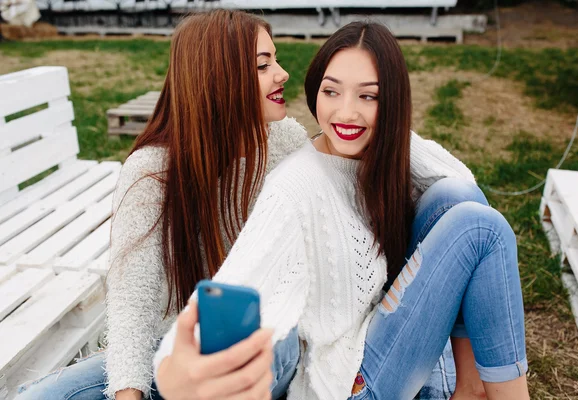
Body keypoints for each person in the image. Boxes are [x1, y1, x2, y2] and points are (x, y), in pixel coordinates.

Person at [15, 11, 472, 400]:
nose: (283, 74)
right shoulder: (153, 171)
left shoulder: (286, 141)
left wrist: (384, 120)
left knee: (274, 336)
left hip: (278, 344)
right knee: (44, 395)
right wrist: (128, 392)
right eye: (263, 65)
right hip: (182, 351)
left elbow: (371, 174)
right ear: (219, 78)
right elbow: (132, 305)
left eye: (275, 59)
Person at [154, 21, 530, 400]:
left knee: (454, 197)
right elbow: (239, 282)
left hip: (378, 334)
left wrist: (389, 134)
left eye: (368, 97)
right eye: (331, 91)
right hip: (349, 384)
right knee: (480, 228)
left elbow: (465, 187)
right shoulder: (295, 186)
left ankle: (471, 388)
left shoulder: (378, 154)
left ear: (393, 103)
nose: (346, 113)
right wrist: (175, 369)